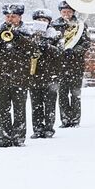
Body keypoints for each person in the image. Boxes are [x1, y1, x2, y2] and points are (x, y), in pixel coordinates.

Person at [0, 3, 33, 147]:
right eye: (8, 16)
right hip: (0, 77)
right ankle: (4, 139)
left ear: (20, 17)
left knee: (19, 110)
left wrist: (18, 37)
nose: (10, 19)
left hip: (20, 77)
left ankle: (18, 138)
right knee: (2, 111)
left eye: (13, 16)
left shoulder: (26, 31)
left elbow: (33, 49)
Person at [26, 9, 61, 139]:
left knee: (50, 104)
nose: (41, 22)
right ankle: (37, 129)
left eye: (44, 20)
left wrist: (48, 46)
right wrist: (35, 41)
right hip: (34, 74)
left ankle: (49, 128)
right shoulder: (30, 35)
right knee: (36, 105)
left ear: (49, 22)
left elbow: (60, 52)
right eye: (39, 20)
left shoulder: (56, 35)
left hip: (51, 75)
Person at [53, 0, 88, 128]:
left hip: (76, 64)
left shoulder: (81, 25)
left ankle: (75, 119)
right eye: (64, 12)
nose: (66, 14)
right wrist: (59, 50)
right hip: (59, 65)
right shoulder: (54, 25)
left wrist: (74, 51)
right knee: (62, 94)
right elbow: (52, 42)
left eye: (69, 11)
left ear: (73, 12)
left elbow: (86, 43)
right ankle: (65, 120)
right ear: (60, 12)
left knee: (75, 93)